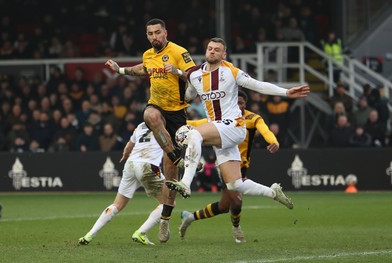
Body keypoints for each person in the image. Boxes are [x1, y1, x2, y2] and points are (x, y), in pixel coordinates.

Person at [166, 38, 309, 206]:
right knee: (235, 183)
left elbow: (258, 85)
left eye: (217, 49)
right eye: (210, 48)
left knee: (193, 134)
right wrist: (174, 82)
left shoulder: (231, 72)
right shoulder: (195, 74)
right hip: (219, 131)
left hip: (233, 125)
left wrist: (286, 92)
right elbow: (188, 96)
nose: (212, 51)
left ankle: (185, 182)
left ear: (223, 54)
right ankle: (273, 192)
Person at [104, 18, 196, 243]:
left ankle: (164, 220)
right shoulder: (148, 55)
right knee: (149, 115)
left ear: (166, 32)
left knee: (170, 173)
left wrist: (175, 70)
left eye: (157, 32)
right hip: (157, 105)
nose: (154, 37)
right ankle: (177, 156)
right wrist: (121, 70)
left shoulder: (179, 52)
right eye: (150, 34)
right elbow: (141, 69)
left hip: (177, 112)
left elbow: (195, 75)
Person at [179, 89, 281, 243]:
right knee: (237, 200)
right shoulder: (220, 120)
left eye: (242, 103)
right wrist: (172, 123)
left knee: (223, 206)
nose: (239, 105)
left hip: (242, 166)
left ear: (245, 104)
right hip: (225, 165)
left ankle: (190, 217)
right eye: (236, 102)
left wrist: (274, 141)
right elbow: (194, 124)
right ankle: (236, 229)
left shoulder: (252, 118)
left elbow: (265, 130)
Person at [78, 122, 165, 246]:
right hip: (148, 165)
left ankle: (90, 234)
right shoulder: (163, 124)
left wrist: (125, 155)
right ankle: (141, 232)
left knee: (117, 205)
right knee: (167, 203)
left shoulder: (141, 125)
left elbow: (129, 147)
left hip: (131, 163)